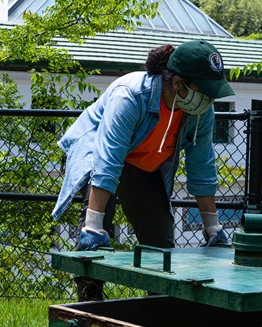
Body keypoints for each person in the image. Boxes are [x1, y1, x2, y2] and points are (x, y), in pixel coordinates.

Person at [52, 39, 235, 301]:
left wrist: (213, 227)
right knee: (93, 235)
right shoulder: (131, 95)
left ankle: (157, 307)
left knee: (160, 242)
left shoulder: (199, 110)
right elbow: (108, 159)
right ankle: (89, 304)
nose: (209, 98)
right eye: (204, 90)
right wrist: (93, 225)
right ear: (177, 83)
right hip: (100, 155)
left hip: (143, 166)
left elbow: (202, 164)